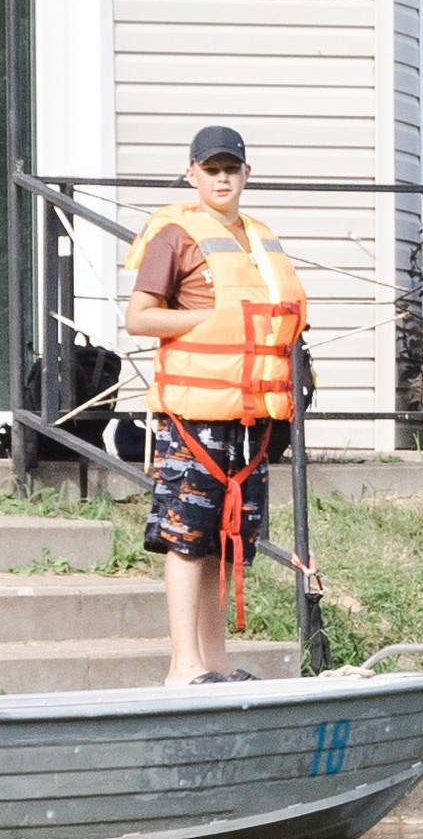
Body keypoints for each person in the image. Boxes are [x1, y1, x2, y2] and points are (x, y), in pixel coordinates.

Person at [123, 127, 309, 689]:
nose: (222, 178)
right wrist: (203, 322)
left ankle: (216, 663)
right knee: (186, 533)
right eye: (211, 170)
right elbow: (140, 317)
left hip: (251, 414)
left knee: (225, 538)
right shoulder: (176, 236)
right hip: (195, 412)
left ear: (246, 175)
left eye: (232, 169)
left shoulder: (259, 238)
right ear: (192, 174)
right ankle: (184, 668)